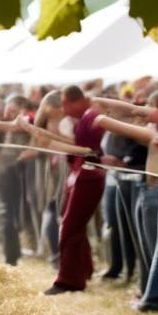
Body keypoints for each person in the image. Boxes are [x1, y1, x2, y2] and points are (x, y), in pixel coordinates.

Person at [44, 85, 105, 295]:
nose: (63, 109)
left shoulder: (93, 117)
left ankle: (69, 280)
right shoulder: (86, 118)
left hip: (89, 175)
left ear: (73, 101)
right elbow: (78, 144)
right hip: (81, 174)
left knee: (70, 227)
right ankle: (83, 271)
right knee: (73, 226)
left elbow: (93, 151)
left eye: (64, 104)